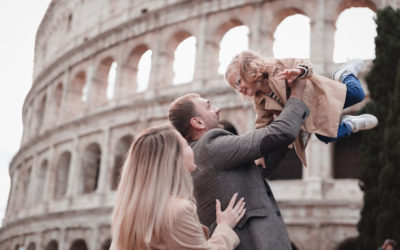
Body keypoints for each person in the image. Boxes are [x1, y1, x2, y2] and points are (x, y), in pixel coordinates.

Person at [169, 77, 310, 250]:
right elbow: (281, 132)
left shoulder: (199, 155)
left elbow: (253, 178)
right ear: (197, 122)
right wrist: (297, 94)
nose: (217, 109)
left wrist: (287, 139)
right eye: (209, 106)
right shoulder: (209, 145)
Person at [225, 50, 378, 166]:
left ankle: (345, 73)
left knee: (357, 94)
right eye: (234, 88)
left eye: (238, 82)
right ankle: (350, 125)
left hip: (321, 97)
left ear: (249, 69)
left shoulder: (277, 67)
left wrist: (298, 71)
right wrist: (259, 152)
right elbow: (261, 125)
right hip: (309, 116)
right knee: (326, 136)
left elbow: (305, 63)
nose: (238, 89)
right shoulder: (259, 100)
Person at [110, 125, 246, 250]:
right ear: (174, 158)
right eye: (186, 145)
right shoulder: (178, 211)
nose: (191, 148)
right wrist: (224, 227)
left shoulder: (128, 211)